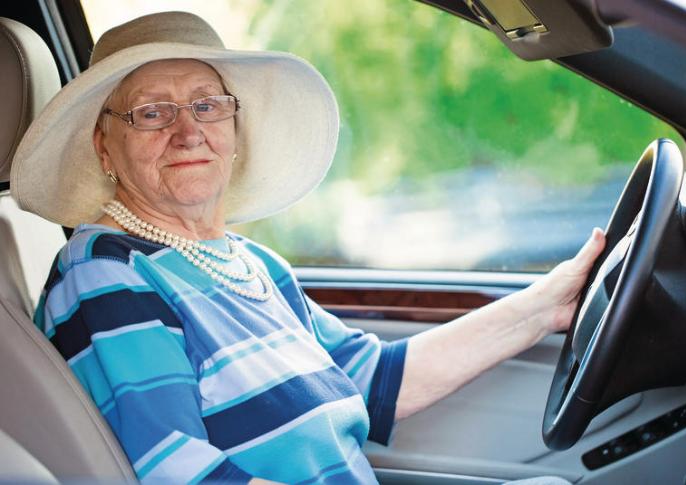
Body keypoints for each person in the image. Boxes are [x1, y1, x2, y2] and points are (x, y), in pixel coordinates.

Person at [11, 11, 605, 485]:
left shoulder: (251, 263)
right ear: (105, 146)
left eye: (207, 105)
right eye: (151, 112)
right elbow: (178, 471)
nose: (188, 132)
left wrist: (546, 305)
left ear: (234, 130)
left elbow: (374, 381)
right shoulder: (106, 274)